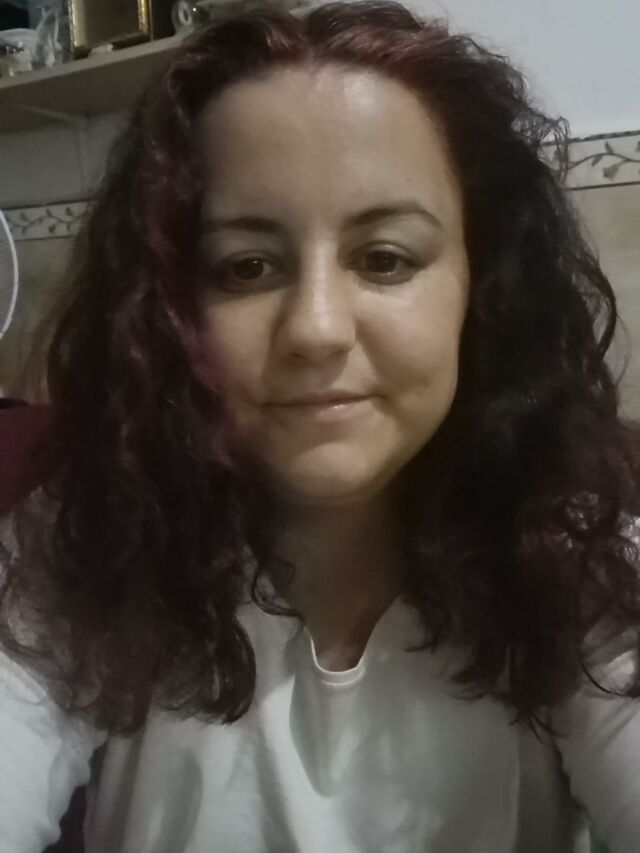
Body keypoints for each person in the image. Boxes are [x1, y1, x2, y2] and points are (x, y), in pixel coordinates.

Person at [1, 1, 639, 850]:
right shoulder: (79, 545)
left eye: (385, 259)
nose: (316, 328)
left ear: (481, 291)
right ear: (169, 311)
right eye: (247, 267)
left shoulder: (586, 564)